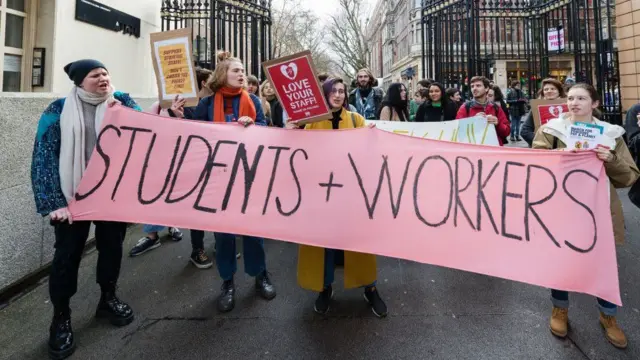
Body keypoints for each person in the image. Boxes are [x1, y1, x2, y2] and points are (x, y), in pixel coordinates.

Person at [31, 59, 139, 359]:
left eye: (106, 73)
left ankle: (108, 298)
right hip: (71, 199)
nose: (103, 78)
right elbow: (43, 156)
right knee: (66, 257)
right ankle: (61, 317)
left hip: (110, 197)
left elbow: (148, 133)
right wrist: (54, 203)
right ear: (80, 82)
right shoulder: (56, 111)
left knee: (112, 248)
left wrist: (168, 111)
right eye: (95, 75)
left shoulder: (123, 103)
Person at [532, 83, 639, 349]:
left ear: (594, 103)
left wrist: (610, 158)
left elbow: (628, 176)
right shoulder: (550, 130)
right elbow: (533, 162)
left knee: (602, 263)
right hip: (562, 208)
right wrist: (559, 155)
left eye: (581, 98)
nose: (574, 102)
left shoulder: (611, 134)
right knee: (562, 261)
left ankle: (609, 316)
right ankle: (560, 309)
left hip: (599, 207)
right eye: (570, 98)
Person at [290, 77, 387, 318]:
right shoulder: (310, 123)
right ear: (324, 94)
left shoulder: (357, 119)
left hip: (351, 193)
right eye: (333, 91)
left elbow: (371, 151)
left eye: (342, 91)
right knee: (323, 244)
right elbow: (296, 153)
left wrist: (373, 136)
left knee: (360, 242)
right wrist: (292, 131)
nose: (338, 95)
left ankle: (370, 288)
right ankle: (324, 288)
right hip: (320, 195)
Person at [129, 67, 240, 267]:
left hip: (213, 164)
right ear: (204, 82)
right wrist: (174, 116)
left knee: (215, 208)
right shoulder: (165, 106)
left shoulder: (210, 103)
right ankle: (196, 248)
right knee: (195, 210)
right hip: (187, 165)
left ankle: (219, 243)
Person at [193, 51, 275, 313]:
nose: (242, 74)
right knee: (224, 235)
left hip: (247, 176)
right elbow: (193, 136)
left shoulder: (253, 100)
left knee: (253, 232)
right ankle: (227, 282)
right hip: (218, 179)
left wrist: (254, 125)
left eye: (242, 70)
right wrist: (174, 111)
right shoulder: (206, 104)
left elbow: (265, 129)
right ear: (222, 75)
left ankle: (260, 274)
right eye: (236, 71)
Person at [455, 76, 510, 146]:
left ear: (486, 88)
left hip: (493, 150)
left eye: (478, 86)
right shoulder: (465, 107)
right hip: (474, 151)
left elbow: (507, 132)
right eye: (472, 86)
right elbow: (458, 132)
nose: (474, 88)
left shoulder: (496, 108)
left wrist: (498, 124)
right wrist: (473, 122)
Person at [520, 78, 567, 146]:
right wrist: (541, 142)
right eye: (546, 89)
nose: (549, 91)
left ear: (559, 91)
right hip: (543, 150)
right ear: (543, 92)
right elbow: (525, 131)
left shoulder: (569, 106)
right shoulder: (537, 108)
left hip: (564, 148)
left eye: (553, 89)